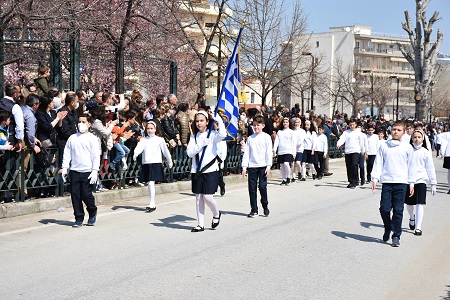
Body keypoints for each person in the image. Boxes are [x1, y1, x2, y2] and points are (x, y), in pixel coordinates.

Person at [371, 120, 413, 247]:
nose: (396, 132)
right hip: (387, 182)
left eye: (399, 130)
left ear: (404, 132)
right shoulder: (384, 146)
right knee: (384, 209)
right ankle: (388, 227)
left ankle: (396, 235)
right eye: (394, 129)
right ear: (391, 130)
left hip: (401, 183)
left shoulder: (407, 147)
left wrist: (411, 183)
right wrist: (375, 178)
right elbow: (378, 163)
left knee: (398, 210)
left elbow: (411, 166)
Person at [186, 111, 226, 232]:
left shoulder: (212, 135)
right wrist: (200, 145)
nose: (199, 123)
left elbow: (223, 135)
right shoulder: (193, 137)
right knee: (199, 197)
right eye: (197, 121)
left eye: (202, 121)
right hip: (197, 170)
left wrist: (219, 120)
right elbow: (189, 153)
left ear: (207, 122)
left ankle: (216, 213)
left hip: (210, 170)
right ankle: (200, 224)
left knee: (207, 197)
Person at [61, 115, 100, 228]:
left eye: (84, 122)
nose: (81, 124)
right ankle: (79, 217)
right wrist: (64, 167)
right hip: (74, 170)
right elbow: (67, 153)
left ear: (89, 124)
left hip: (87, 171)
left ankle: (92, 211)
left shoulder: (92, 138)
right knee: (75, 195)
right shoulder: (72, 138)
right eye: (79, 121)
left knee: (86, 194)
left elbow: (95, 156)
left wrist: (95, 170)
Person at [133, 121, 173, 212]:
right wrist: (135, 154)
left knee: (151, 183)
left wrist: (169, 160)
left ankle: (152, 203)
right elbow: (139, 147)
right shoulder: (143, 140)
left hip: (155, 163)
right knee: (149, 183)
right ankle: (152, 203)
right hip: (146, 163)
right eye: (148, 129)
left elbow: (165, 151)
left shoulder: (160, 139)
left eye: (151, 128)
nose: (150, 130)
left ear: (155, 129)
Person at [406, 130, 437, 236]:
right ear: (412, 138)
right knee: (409, 204)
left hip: (421, 181)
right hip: (409, 181)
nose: (417, 139)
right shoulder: (408, 150)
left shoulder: (425, 152)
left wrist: (433, 183)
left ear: (422, 139)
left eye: (419, 137)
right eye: (415, 137)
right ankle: (412, 217)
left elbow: (430, 168)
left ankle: (418, 227)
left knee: (420, 203)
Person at [241, 116, 272, 217]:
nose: (256, 127)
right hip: (252, 166)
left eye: (258, 125)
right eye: (254, 125)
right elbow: (247, 153)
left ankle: (265, 204)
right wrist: (244, 167)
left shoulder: (266, 137)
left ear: (262, 126)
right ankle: (254, 209)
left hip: (263, 166)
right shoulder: (250, 138)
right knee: (252, 188)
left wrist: (268, 166)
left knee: (262, 187)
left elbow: (268, 153)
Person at [337, 119, 364, 189]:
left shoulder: (358, 133)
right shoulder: (346, 132)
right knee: (349, 166)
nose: (352, 126)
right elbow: (342, 139)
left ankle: (355, 181)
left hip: (356, 151)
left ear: (355, 125)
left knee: (354, 165)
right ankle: (351, 181)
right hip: (348, 151)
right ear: (349, 125)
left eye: (353, 125)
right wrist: (339, 144)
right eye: (351, 125)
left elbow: (361, 143)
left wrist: (362, 151)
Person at [273, 117, 295, 185]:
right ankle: (284, 179)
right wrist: (274, 149)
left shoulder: (291, 132)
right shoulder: (280, 132)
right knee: (282, 165)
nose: (285, 123)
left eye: (286, 122)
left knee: (286, 163)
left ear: (289, 123)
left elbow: (293, 143)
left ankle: (288, 177)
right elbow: (277, 141)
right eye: (284, 122)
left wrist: (294, 153)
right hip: (281, 150)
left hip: (288, 150)